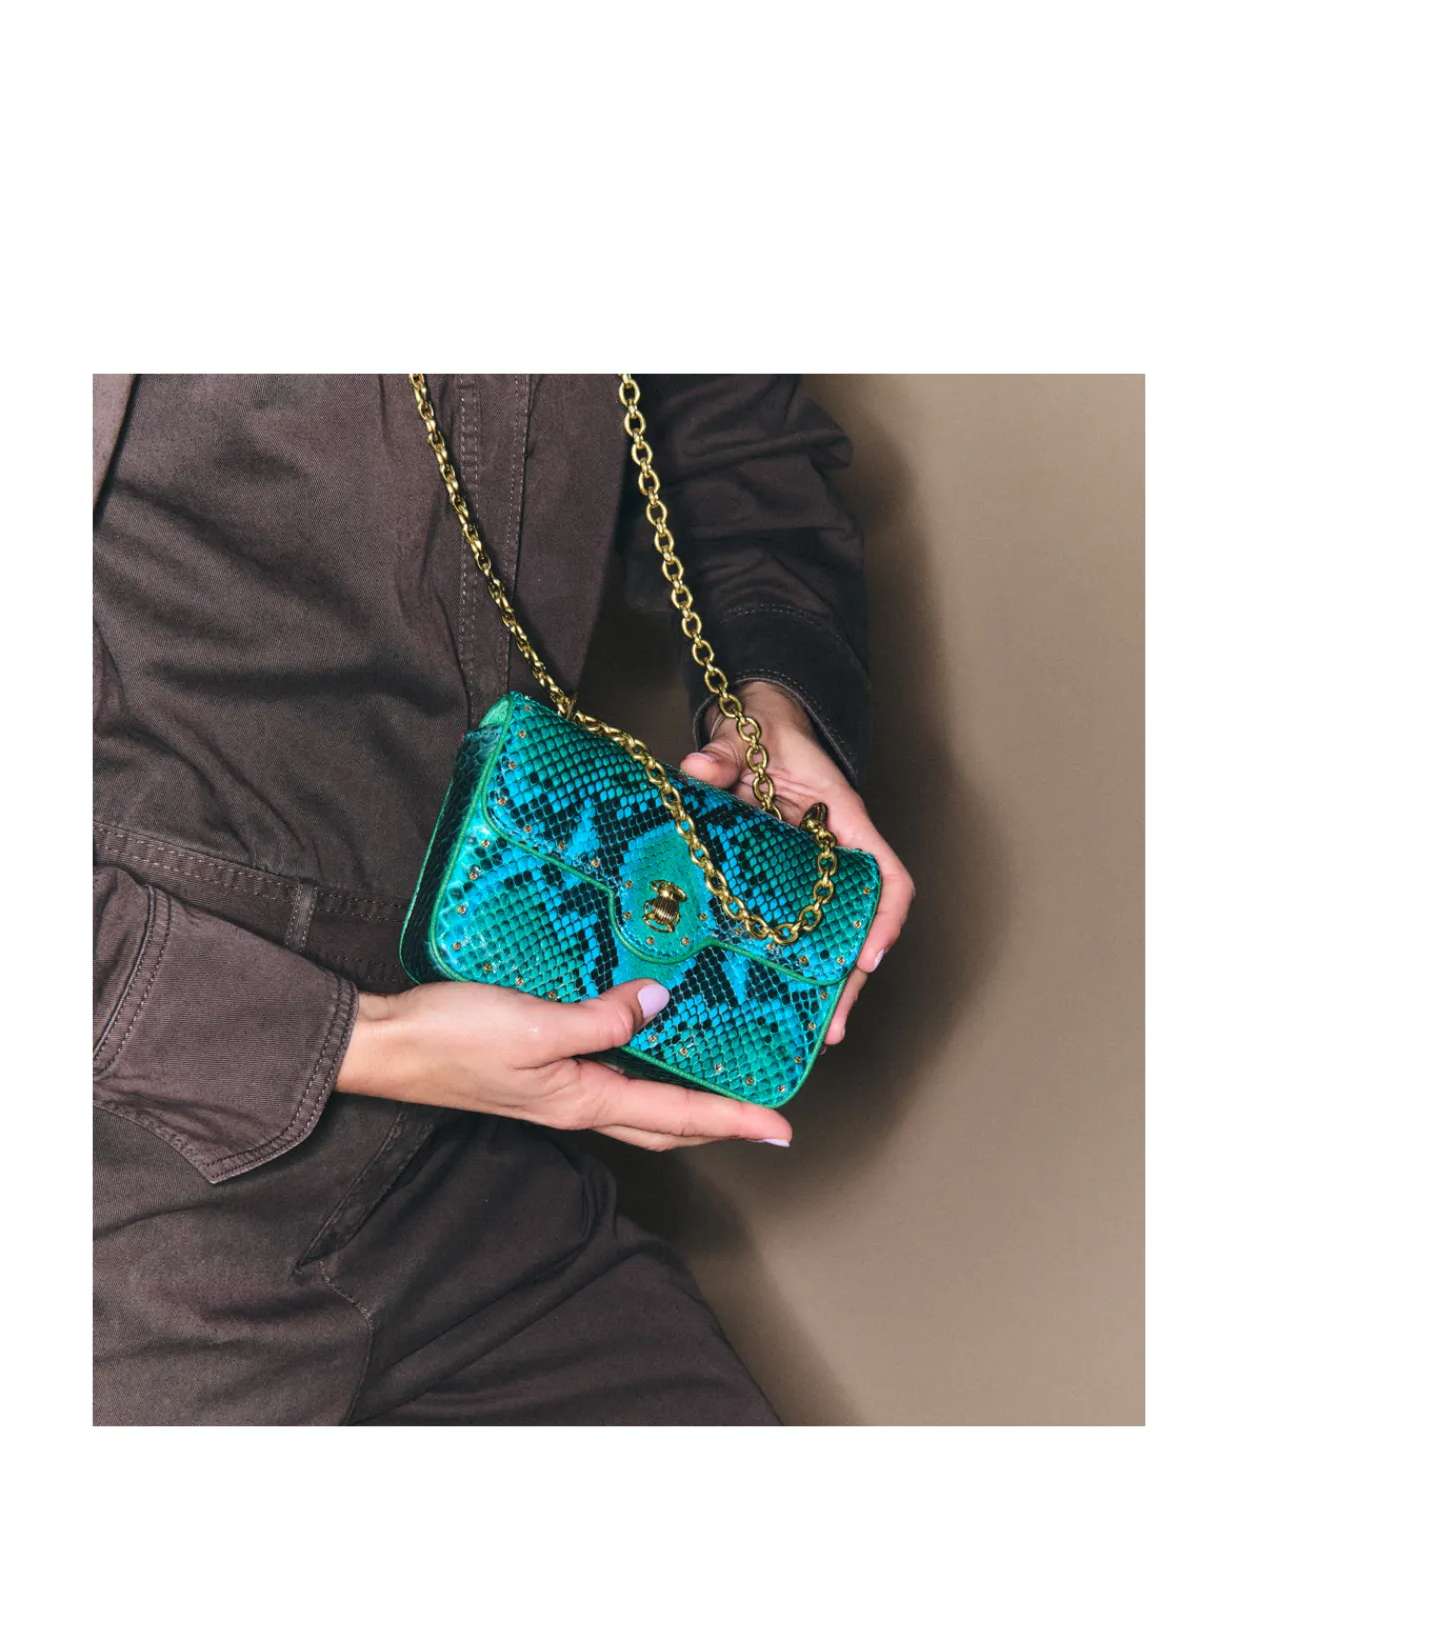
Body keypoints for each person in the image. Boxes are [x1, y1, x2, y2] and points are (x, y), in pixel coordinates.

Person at [93, 374, 913, 1424]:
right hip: (135, 1168)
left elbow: (723, 427)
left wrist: (771, 707)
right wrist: (369, 1044)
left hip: (482, 1140)